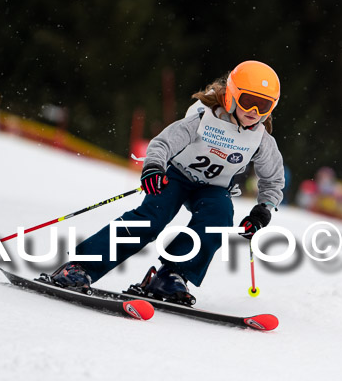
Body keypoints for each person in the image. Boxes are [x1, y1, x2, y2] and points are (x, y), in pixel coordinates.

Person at [47, 60, 286, 306]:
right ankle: (79, 267)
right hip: (177, 176)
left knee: (219, 219)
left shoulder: (261, 141)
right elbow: (163, 143)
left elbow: (274, 180)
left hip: (213, 188)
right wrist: (153, 168)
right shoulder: (203, 119)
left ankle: (171, 276)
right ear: (232, 96)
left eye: (264, 105)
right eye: (248, 101)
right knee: (151, 219)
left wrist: (261, 213)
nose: (255, 111)